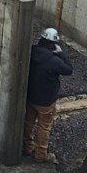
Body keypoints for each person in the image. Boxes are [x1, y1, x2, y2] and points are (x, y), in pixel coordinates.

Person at [25, 27, 72, 163]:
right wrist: (61, 54)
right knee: (44, 127)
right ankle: (40, 154)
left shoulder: (31, 52)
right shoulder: (54, 61)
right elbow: (69, 70)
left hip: (30, 96)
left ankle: (26, 147)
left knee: (28, 122)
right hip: (46, 101)